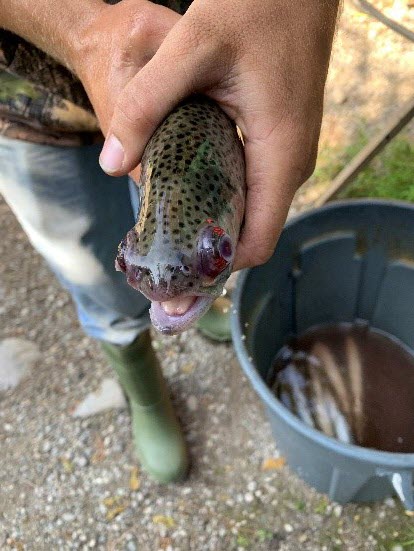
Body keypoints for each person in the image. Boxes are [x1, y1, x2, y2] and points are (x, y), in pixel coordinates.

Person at [0, 0, 340, 483]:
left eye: (214, 250)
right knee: (93, 270)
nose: (158, 277)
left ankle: (208, 299)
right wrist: (76, 27)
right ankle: (143, 386)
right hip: (27, 111)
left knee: (171, 252)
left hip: (192, 49)